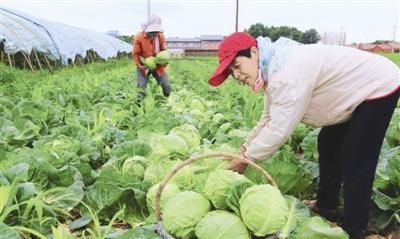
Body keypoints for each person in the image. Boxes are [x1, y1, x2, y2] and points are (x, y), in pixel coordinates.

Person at [208, 32, 400, 239]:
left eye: (237, 66)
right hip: (354, 93)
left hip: (378, 85)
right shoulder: (274, 68)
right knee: (327, 143)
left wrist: (246, 159)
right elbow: (267, 119)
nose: (236, 75)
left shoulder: (286, 73)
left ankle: (357, 229)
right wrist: (244, 150)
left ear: (254, 52)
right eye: (231, 72)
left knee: (357, 157)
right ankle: (327, 206)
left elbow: (279, 130)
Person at [132, 15, 171, 101]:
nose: (154, 34)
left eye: (156, 31)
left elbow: (164, 51)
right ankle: (139, 107)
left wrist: (164, 61)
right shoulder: (139, 37)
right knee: (141, 89)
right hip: (144, 66)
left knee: (166, 86)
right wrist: (139, 65)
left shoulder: (160, 36)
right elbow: (136, 54)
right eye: (152, 31)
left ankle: (166, 103)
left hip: (158, 65)